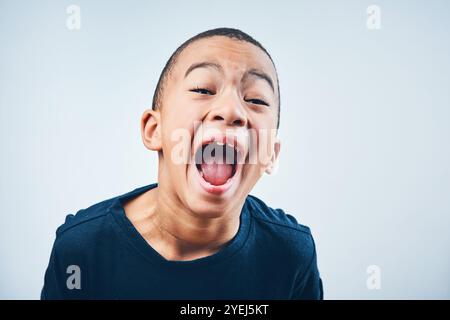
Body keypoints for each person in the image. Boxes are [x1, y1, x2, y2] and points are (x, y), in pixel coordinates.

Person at [41, 27, 323, 299]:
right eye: (203, 89)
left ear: (270, 154)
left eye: (256, 99)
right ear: (154, 130)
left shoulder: (291, 255)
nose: (231, 110)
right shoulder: (82, 251)